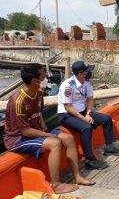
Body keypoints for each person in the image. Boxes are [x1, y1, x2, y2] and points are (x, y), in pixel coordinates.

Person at [4, 63, 95, 194]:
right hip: (18, 139)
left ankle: (77, 176)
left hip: (36, 130)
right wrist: (51, 136)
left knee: (68, 138)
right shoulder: (18, 102)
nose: (47, 79)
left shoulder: (39, 93)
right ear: (35, 81)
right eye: (44, 77)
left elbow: (38, 112)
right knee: (55, 143)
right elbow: (25, 131)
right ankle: (56, 185)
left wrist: (44, 126)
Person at [58, 61, 119, 170]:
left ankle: (109, 147)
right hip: (67, 115)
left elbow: (90, 99)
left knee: (106, 119)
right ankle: (89, 160)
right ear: (80, 73)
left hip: (83, 111)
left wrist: (88, 113)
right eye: (86, 71)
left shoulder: (86, 82)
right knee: (86, 128)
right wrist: (84, 119)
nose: (88, 73)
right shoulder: (67, 86)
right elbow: (68, 107)